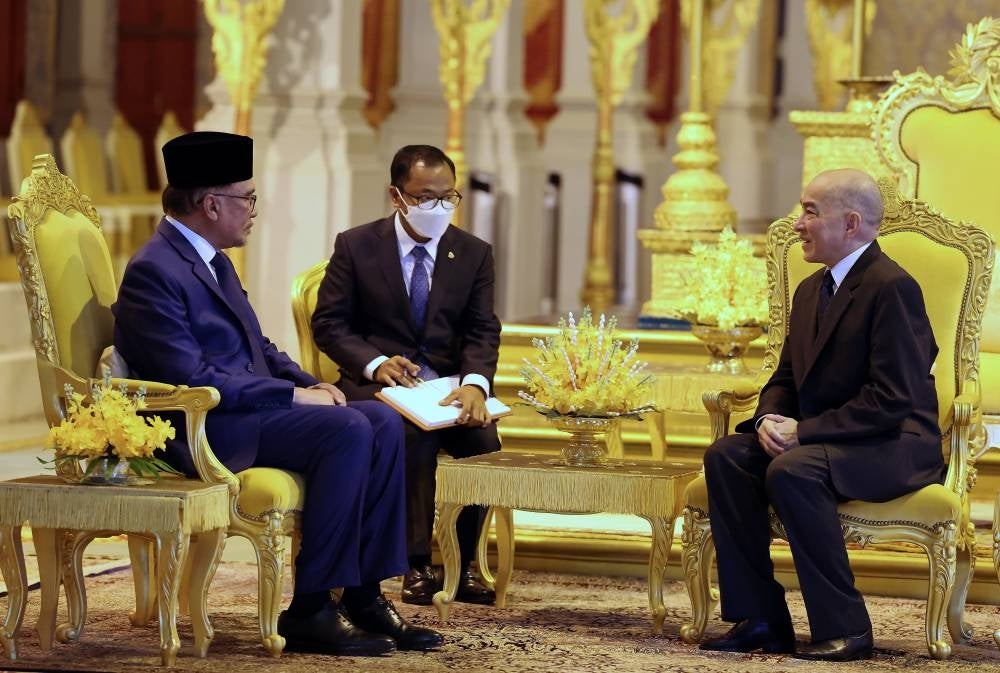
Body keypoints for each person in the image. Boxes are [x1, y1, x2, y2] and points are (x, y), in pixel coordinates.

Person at [112, 131, 443, 656]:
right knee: (349, 428)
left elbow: (257, 345)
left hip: (243, 413)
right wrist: (291, 399)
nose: (254, 211)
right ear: (211, 203)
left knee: (380, 417)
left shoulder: (211, 258)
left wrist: (309, 382)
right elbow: (190, 376)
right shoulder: (156, 269)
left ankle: (363, 596)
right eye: (247, 198)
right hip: (206, 427)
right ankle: (311, 608)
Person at [698, 168, 943, 662]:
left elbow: (892, 399)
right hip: (831, 439)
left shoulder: (892, 286)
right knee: (728, 455)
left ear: (851, 223)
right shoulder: (811, 289)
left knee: (793, 469)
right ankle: (761, 618)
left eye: (810, 211)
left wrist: (803, 432)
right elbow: (785, 378)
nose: (797, 223)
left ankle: (847, 628)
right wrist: (770, 419)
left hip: (894, 443)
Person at [311, 145, 502, 606]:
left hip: (445, 388)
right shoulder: (357, 245)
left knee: (483, 442)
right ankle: (415, 563)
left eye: (447, 197)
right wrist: (376, 363)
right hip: (378, 385)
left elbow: (482, 329)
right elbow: (330, 324)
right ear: (396, 196)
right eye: (423, 197)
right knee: (409, 437)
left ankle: (467, 561)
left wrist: (475, 385)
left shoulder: (473, 253)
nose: (436, 208)